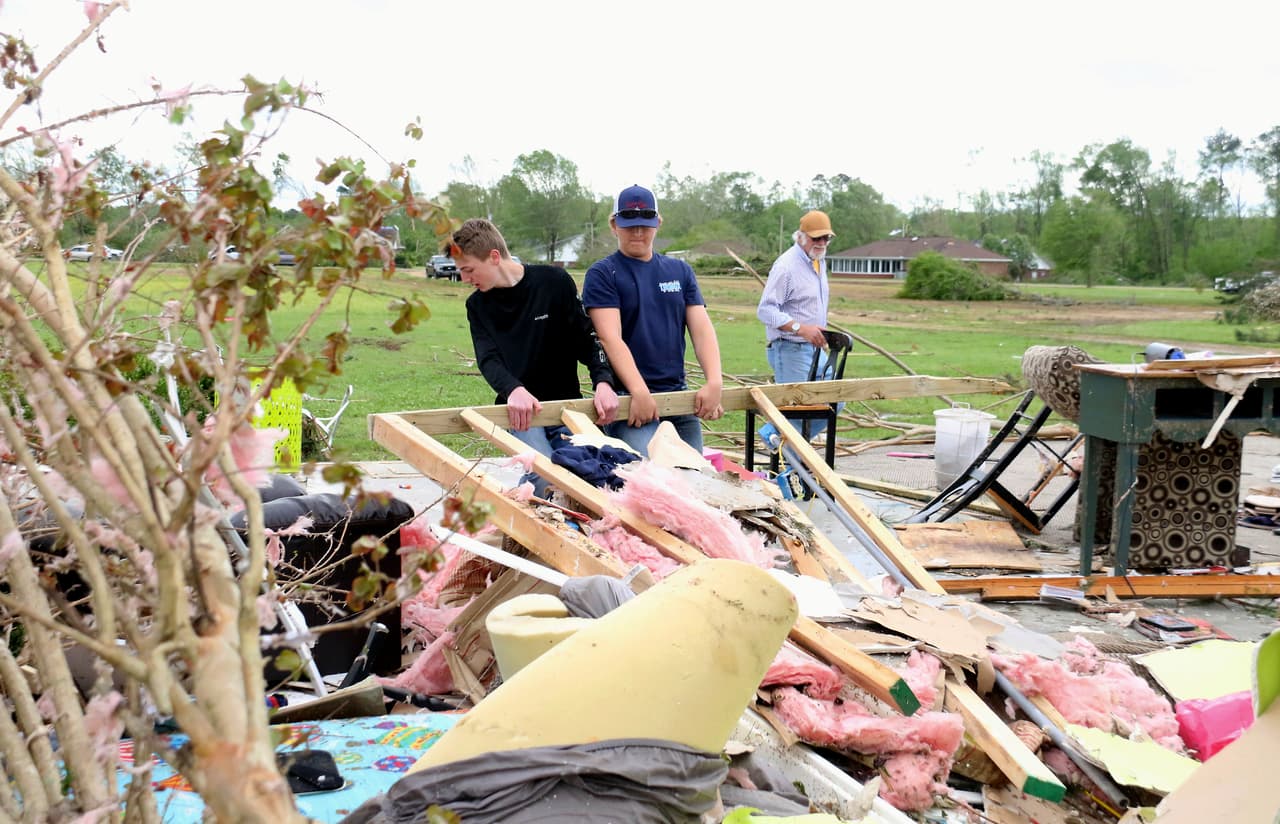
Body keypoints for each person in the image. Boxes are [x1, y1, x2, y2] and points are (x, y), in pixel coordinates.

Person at [452, 218, 618, 494]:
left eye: (469, 270)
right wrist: (512, 389)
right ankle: (529, 526)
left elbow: (587, 339)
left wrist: (603, 381)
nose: (465, 279)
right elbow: (488, 358)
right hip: (521, 413)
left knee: (593, 471)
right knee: (543, 474)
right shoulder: (477, 305)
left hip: (565, 405)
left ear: (494, 257)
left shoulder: (554, 283)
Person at [581, 184, 724, 457]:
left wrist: (714, 382)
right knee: (652, 474)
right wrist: (639, 390)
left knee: (695, 475)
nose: (637, 232)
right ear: (614, 225)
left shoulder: (680, 271)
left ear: (658, 222)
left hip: (677, 397)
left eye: (645, 225)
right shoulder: (603, 273)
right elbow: (611, 338)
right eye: (629, 225)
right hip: (630, 400)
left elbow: (702, 329)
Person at [756, 209, 840, 440]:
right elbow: (765, 310)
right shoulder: (786, 267)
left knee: (836, 400)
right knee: (798, 409)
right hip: (790, 348)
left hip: (814, 349)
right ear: (800, 237)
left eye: (826, 238)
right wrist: (801, 328)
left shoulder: (817, 262)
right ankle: (782, 446)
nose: (822, 243)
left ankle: (781, 440)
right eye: (816, 238)